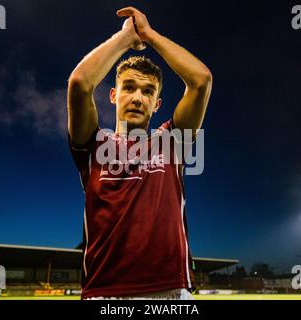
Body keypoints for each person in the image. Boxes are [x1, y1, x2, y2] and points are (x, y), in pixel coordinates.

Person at [67, 7, 212, 299]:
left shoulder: (172, 141)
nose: (137, 97)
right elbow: (80, 84)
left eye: (148, 92)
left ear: (157, 105)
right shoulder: (93, 144)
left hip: (170, 292)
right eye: (129, 87)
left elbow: (200, 80)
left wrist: (148, 35)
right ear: (113, 95)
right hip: (104, 292)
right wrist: (124, 38)